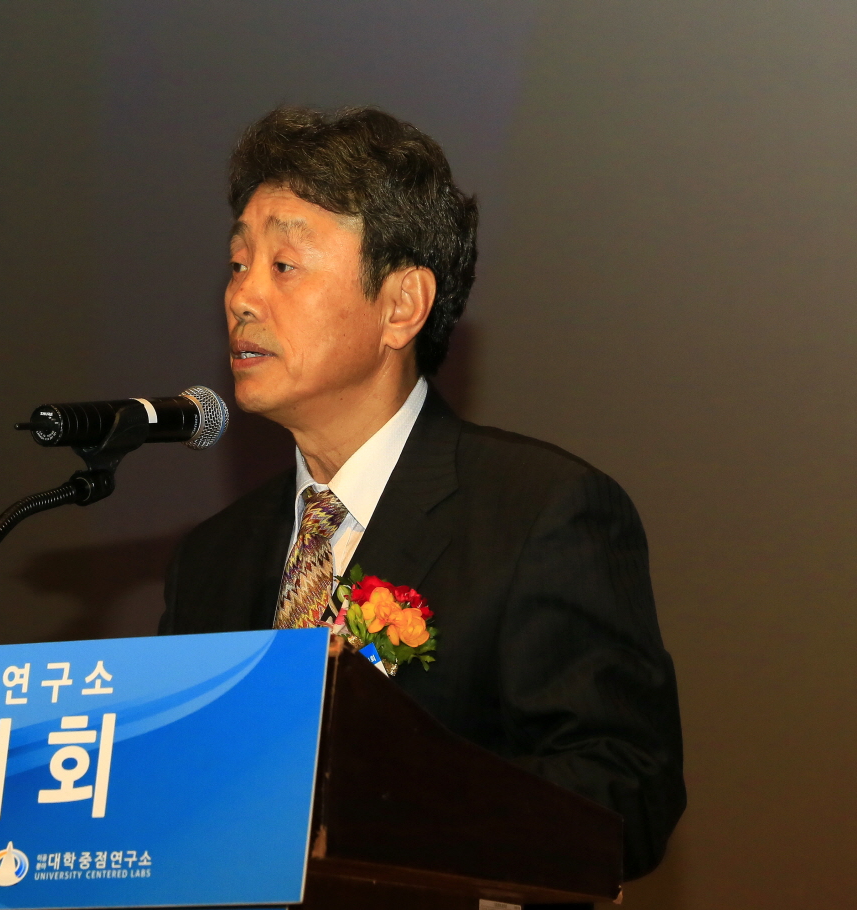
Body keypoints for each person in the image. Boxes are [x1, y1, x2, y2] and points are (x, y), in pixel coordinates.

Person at [159, 107, 685, 885]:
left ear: (401, 305)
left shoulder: (541, 512)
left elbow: (626, 794)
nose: (242, 296)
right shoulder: (210, 559)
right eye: (239, 263)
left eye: (284, 265)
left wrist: (384, 810)